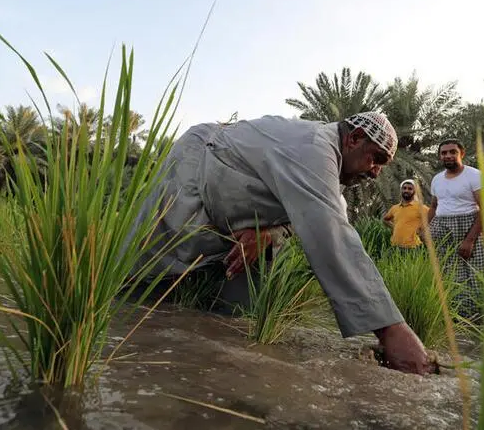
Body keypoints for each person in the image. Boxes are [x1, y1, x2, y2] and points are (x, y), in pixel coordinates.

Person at [128, 112, 436, 375]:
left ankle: (207, 355)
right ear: (354, 139)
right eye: (376, 158)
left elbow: (310, 221)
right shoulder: (314, 147)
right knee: (149, 265)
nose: (376, 171)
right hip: (194, 164)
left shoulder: (330, 186)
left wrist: (269, 233)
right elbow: (331, 236)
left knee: (235, 308)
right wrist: (391, 329)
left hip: (232, 222)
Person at [428, 139, 483, 319]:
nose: (448, 156)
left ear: (462, 153)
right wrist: (425, 229)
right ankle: (457, 315)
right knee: (448, 272)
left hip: (468, 226)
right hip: (442, 228)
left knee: (475, 272)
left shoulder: (474, 176)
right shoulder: (437, 179)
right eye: (444, 153)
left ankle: (478, 316)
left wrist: (470, 239)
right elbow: (434, 207)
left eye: (452, 151)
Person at [383, 179, 429, 249]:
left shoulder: (421, 207)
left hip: (413, 247)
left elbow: (433, 217)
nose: (406, 190)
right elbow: (385, 220)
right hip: (395, 246)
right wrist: (394, 227)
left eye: (410, 189)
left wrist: (422, 230)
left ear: (414, 191)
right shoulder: (394, 208)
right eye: (404, 188)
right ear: (401, 190)